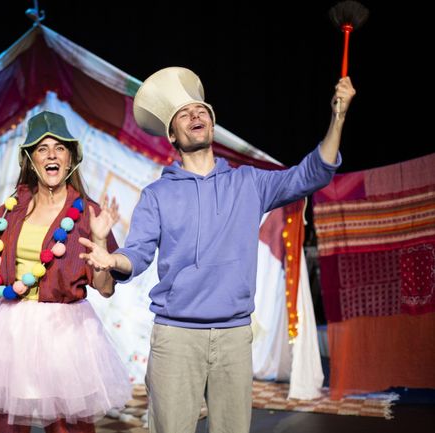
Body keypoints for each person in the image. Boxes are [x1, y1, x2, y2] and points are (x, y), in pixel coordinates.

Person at [79, 67, 356, 433]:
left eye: (201, 111)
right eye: (184, 114)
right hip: (176, 337)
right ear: (172, 136)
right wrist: (111, 257)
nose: (195, 115)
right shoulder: (157, 195)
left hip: (233, 335)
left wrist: (338, 117)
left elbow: (311, 175)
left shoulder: (248, 182)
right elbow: (138, 254)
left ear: (211, 125)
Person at [0, 111, 131, 432]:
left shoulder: (88, 212)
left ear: (71, 158)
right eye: (42, 149)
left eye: (59, 147)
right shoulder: (12, 209)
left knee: (67, 424)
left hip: (64, 332)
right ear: (30, 159)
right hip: (11, 329)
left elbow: (106, 288)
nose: (52, 154)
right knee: (4, 423)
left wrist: (100, 240)